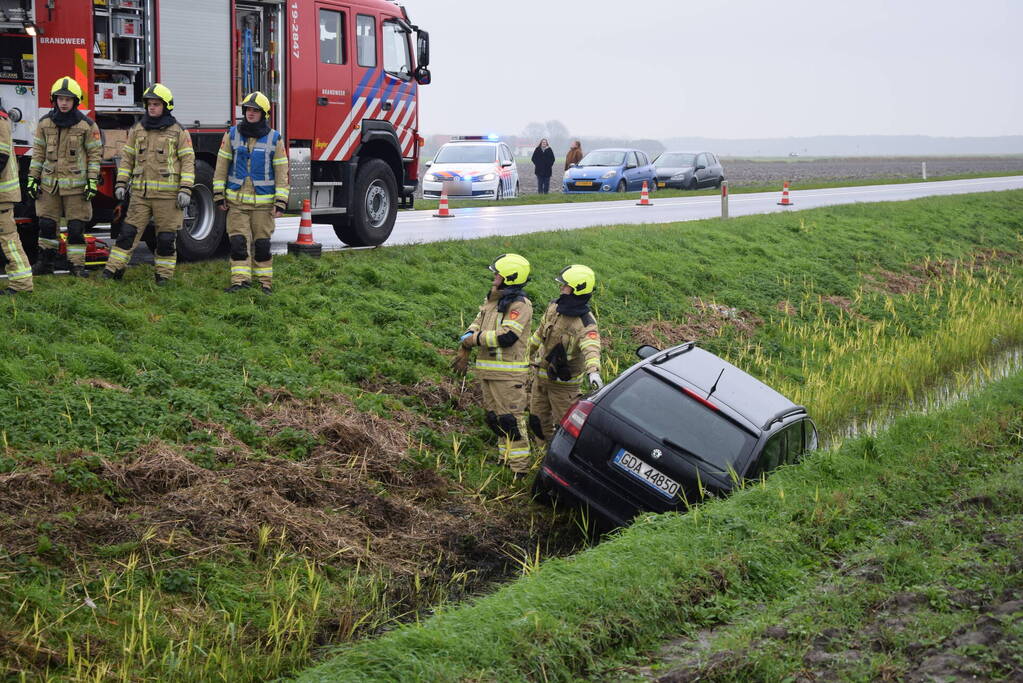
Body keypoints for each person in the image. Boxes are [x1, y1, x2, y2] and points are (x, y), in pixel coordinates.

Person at [103, 83, 194, 283]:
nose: (152, 108)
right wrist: (121, 183)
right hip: (140, 196)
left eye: (156, 104)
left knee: (165, 239)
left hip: (168, 198)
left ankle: (163, 276)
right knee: (127, 234)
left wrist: (186, 189)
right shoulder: (138, 130)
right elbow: (127, 159)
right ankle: (113, 271)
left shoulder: (178, 132)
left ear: (166, 106)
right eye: (149, 104)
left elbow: (188, 162)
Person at [455, 253, 534, 477]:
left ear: (510, 278)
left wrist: (475, 339)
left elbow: (507, 336)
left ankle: (520, 470)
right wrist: (467, 336)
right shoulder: (494, 300)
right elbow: (478, 321)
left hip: (508, 376)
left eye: (498, 274)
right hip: (487, 371)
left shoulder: (520, 305)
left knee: (511, 421)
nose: (494, 277)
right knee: (495, 419)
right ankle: (505, 459)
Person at [213, 91, 289, 294]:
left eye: (255, 110)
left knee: (262, 245)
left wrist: (280, 201)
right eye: (248, 109)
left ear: (264, 114)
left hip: (263, 205)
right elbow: (221, 166)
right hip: (236, 203)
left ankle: (265, 283)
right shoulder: (232, 135)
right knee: (238, 243)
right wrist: (219, 194)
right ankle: (240, 281)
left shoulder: (274, 139)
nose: (251, 113)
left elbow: (282, 171)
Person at [26, 77, 102, 277]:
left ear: (75, 101)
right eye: (60, 98)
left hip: (77, 189)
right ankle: (45, 264)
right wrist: (33, 178)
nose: (64, 102)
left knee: (76, 228)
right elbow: (38, 154)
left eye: (68, 99)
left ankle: (76, 267)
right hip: (49, 186)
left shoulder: (87, 126)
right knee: (47, 225)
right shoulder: (45, 124)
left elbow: (95, 156)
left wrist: (92, 180)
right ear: (54, 99)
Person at [527, 264, 602, 444]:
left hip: (563, 387)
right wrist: (525, 354)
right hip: (541, 378)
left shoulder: (585, 323)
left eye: (565, 285)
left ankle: (564, 456)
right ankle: (543, 454)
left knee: (567, 428)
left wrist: (594, 372)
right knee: (537, 421)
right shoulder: (554, 307)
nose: (561, 288)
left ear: (577, 290)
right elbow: (539, 334)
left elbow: (591, 347)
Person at [0, 103, 32, 294]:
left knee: (8, 241)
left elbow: (0, 159)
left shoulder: (1, 121)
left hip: (2, 196)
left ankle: (22, 285)